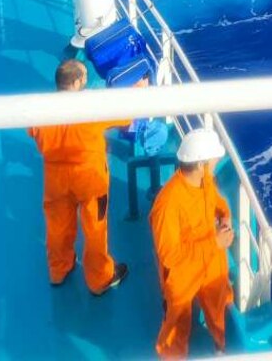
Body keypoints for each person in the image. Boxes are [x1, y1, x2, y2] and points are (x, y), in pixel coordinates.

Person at [28, 58, 130, 294]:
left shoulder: (39, 108)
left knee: (57, 228)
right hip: (89, 178)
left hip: (55, 178)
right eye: (84, 77)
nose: (86, 80)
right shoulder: (90, 108)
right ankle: (99, 279)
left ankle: (58, 269)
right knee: (95, 229)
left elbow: (33, 130)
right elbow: (125, 118)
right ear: (75, 82)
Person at [149, 127, 234, 358]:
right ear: (200, 165)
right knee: (177, 322)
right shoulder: (167, 205)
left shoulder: (204, 180)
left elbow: (217, 202)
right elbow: (169, 256)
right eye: (214, 159)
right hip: (182, 273)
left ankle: (220, 345)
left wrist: (225, 215)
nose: (218, 162)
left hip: (211, 261)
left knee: (217, 304)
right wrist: (214, 243)